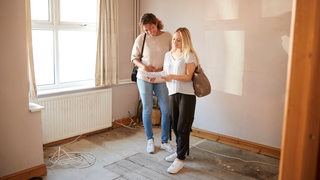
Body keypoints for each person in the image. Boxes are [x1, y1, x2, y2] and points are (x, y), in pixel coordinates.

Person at [131, 13, 174, 154]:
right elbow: (134, 58)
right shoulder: (141, 38)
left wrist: (164, 69)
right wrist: (144, 67)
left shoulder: (168, 37)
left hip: (161, 78)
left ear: (157, 23)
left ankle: (165, 141)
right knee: (148, 109)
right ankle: (150, 140)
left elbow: (173, 57)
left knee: (166, 110)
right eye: (146, 29)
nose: (150, 32)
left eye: (152, 28)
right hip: (144, 77)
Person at [162, 27, 198, 174]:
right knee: (175, 125)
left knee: (183, 126)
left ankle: (180, 159)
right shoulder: (168, 55)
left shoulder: (189, 55)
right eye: (174, 39)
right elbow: (166, 73)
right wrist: (156, 77)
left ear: (185, 40)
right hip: (172, 92)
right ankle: (179, 151)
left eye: (179, 39)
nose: (175, 42)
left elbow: (189, 76)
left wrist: (172, 77)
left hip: (186, 94)